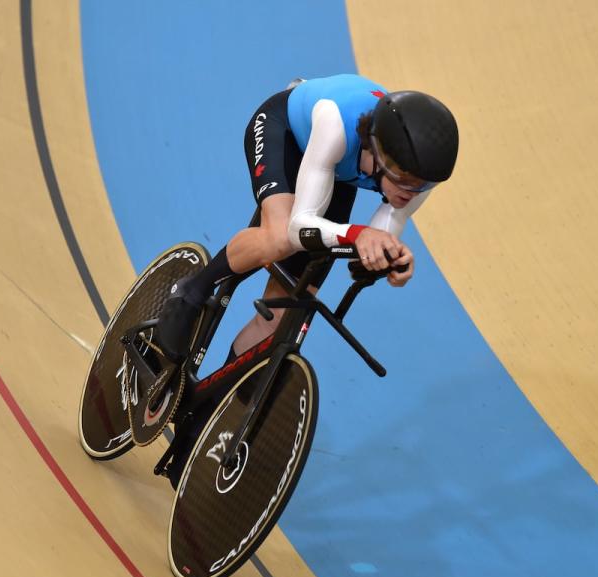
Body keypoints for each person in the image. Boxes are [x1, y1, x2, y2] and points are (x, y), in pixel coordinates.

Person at [157, 73, 459, 486]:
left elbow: (378, 236)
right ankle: (191, 290)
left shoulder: (417, 175)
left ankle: (204, 415)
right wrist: (358, 235)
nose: (414, 192)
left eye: (423, 185)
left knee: (285, 317)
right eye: (406, 181)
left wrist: (388, 259)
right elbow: (302, 227)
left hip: (335, 174)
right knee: (281, 238)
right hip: (290, 132)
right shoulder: (337, 123)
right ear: (383, 155)